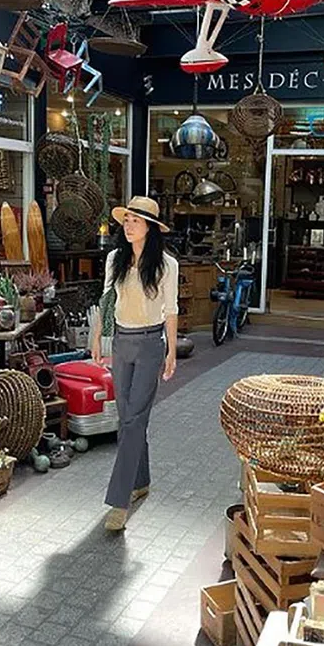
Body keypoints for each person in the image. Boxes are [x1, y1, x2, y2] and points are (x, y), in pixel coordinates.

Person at [92, 196, 178, 531]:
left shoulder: (166, 265)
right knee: (128, 418)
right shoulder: (115, 259)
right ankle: (141, 481)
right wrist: (97, 337)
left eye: (135, 221)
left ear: (150, 228)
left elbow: (171, 311)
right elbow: (106, 299)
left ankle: (119, 501)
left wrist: (172, 352)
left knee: (132, 421)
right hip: (122, 343)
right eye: (126, 220)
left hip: (150, 345)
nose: (128, 226)